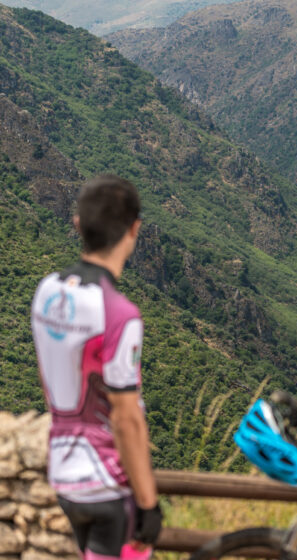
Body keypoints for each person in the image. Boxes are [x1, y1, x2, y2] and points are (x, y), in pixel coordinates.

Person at [31, 175, 162, 560]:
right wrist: (148, 504)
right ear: (134, 229)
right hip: (107, 486)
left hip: (63, 479)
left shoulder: (46, 291)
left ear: (77, 225)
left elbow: (50, 383)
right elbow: (126, 419)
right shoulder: (121, 315)